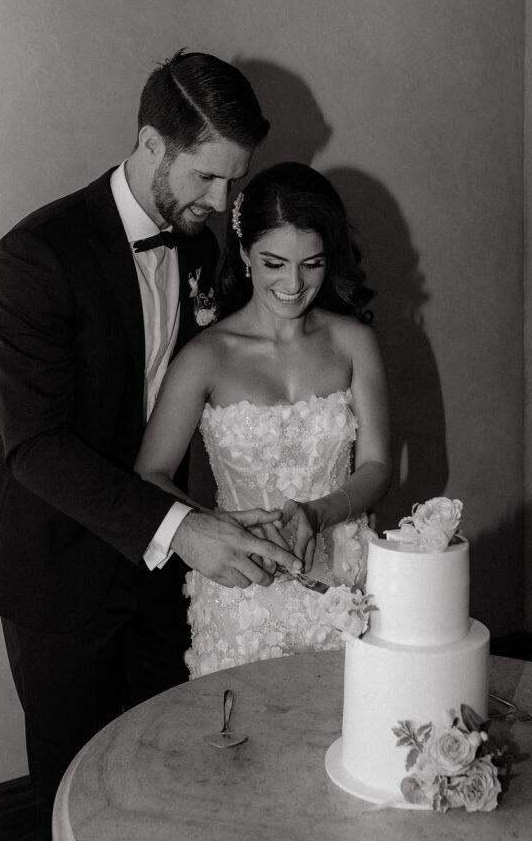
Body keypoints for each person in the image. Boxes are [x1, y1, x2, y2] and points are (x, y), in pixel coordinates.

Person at [0, 50, 302, 839]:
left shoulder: (201, 247)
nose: (220, 202)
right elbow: (35, 447)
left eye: (232, 181)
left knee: (172, 757)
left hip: (157, 557)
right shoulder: (34, 257)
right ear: (151, 144)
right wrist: (186, 529)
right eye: (205, 178)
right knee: (76, 785)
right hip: (52, 558)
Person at [135, 162, 392, 677]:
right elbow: (149, 475)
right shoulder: (205, 356)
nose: (294, 284)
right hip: (241, 589)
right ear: (246, 254)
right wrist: (214, 527)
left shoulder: (354, 343)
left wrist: (317, 514)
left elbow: (378, 466)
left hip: (346, 579)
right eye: (275, 262)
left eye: (312, 264)